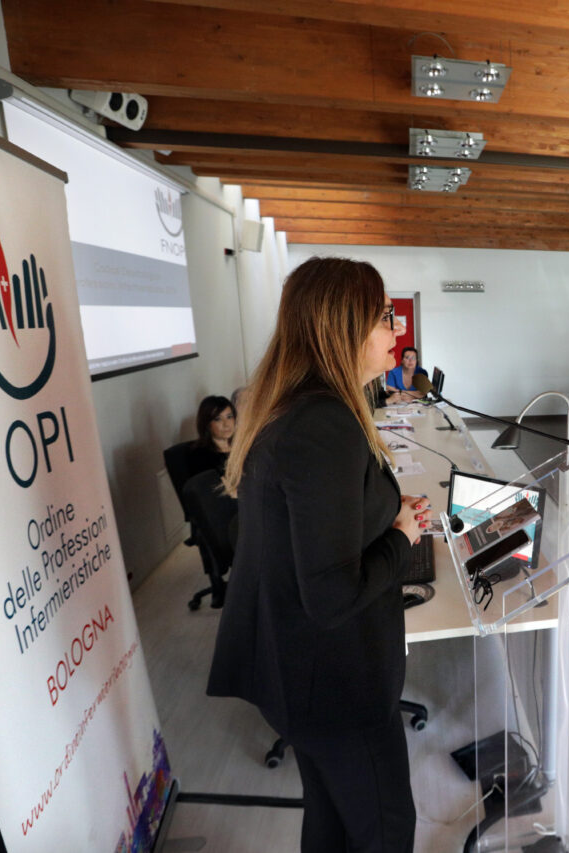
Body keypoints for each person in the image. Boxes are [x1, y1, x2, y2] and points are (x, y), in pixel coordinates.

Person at [207, 257, 427, 852]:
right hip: (337, 685)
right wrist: (402, 536)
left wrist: (379, 508)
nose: (396, 331)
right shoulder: (324, 425)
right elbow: (332, 595)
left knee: (330, 824)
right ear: (344, 326)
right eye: (384, 317)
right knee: (383, 829)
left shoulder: (301, 409)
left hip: (305, 678)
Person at [186, 395, 236, 479]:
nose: (226, 424)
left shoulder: (241, 445)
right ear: (207, 424)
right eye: (218, 419)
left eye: (229, 417)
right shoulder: (199, 455)